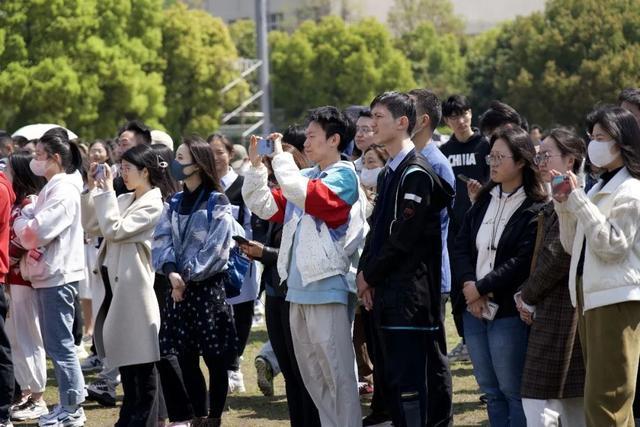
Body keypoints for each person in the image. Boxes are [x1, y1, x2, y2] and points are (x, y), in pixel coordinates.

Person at [242, 106, 363, 427]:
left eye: (312, 136)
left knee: (337, 375)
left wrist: (280, 157)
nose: (306, 143)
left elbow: (307, 196)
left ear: (335, 139)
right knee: (313, 378)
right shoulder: (306, 176)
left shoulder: (345, 175)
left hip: (328, 288)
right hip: (295, 290)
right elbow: (264, 205)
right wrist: (256, 166)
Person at [357, 91, 453, 427]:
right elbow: (377, 230)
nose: (372, 124)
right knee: (393, 384)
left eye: (379, 117)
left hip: (411, 298)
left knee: (415, 389)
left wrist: (370, 275)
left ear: (402, 123)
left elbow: (403, 239)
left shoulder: (416, 172)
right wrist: (365, 274)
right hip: (387, 293)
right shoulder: (388, 173)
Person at [553, 106, 640, 426]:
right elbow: (570, 245)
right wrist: (564, 206)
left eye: (601, 138)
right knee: (612, 402)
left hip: (615, 301)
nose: (593, 145)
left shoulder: (630, 189)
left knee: (605, 402)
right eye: (591, 137)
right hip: (592, 298)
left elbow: (612, 246)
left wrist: (576, 199)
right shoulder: (597, 187)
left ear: (621, 143)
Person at [453, 125, 546, 427]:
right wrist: (469, 285)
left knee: (512, 391)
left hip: (506, 310)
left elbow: (521, 261)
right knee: (490, 392)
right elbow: (462, 246)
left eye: (499, 157)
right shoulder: (483, 200)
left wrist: (481, 287)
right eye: (490, 156)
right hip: (473, 309)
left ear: (521, 161)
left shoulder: (535, 207)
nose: (491, 163)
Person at [153, 136, 238, 427]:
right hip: (178, 289)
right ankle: (198, 415)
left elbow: (217, 248)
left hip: (207, 290)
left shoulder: (218, 201)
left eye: (181, 157)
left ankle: (214, 417)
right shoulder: (173, 201)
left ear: (198, 164)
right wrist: (172, 272)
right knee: (186, 358)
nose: (175, 164)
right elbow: (161, 240)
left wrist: (183, 278)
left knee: (215, 358)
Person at [81, 144, 167, 426]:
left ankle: (141, 420)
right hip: (118, 290)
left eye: (127, 168)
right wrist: (93, 189)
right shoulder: (127, 198)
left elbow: (115, 230)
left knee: (141, 366)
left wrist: (106, 193)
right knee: (129, 366)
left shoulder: (154, 202)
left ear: (145, 171)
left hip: (135, 293)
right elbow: (92, 224)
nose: (122, 173)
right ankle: (134, 419)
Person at [240, 142, 321, 426]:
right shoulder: (280, 203)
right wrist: (255, 167)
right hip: (275, 290)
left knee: (306, 371)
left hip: (300, 292)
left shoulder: (309, 196)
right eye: (270, 175)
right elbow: (260, 206)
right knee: (288, 369)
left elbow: (300, 251)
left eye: (276, 174)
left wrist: (265, 253)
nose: (273, 182)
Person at [14, 128, 87, 426]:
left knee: (60, 345)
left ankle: (73, 407)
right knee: (58, 344)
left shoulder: (64, 190)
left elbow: (35, 232)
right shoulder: (56, 186)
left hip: (58, 275)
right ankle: (71, 404)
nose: (35, 160)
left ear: (56, 158)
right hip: (50, 274)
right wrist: (29, 218)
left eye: (40, 156)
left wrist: (21, 219)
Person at [515, 129, 587, 426]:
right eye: (538, 155)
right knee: (567, 401)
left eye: (547, 155)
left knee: (542, 400)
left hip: (561, 306)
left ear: (570, 160)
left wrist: (526, 295)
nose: (540, 161)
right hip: (554, 304)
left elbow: (558, 254)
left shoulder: (572, 197)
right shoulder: (557, 195)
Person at [408, 87, 455, 425]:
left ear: (422, 120)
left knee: (433, 358)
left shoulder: (434, 163)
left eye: (406, 110)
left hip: (431, 274)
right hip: (417, 275)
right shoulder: (413, 159)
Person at [439, 94, 491, 362]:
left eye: (464, 113)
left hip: (484, 227)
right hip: (455, 231)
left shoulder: (485, 146)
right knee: (459, 288)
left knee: (483, 282)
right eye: (454, 116)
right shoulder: (444, 152)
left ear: (472, 113)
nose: (461, 120)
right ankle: (466, 340)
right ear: (446, 121)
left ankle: (486, 337)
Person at [208, 133, 258, 394]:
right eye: (211, 152)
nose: (216, 157)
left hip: (240, 260)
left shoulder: (242, 184)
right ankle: (224, 367)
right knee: (216, 316)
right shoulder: (203, 187)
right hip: (210, 263)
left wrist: (247, 250)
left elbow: (251, 223)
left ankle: (235, 366)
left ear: (230, 153)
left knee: (241, 313)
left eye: (220, 152)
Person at [4, 153, 48, 422]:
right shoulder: (17, 201)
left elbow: (28, 238)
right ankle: (26, 391)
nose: (4, 171)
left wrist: (8, 256)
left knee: (29, 336)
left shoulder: (30, 203)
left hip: (24, 278)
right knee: (15, 337)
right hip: (12, 278)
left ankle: (39, 397)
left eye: (8, 168)